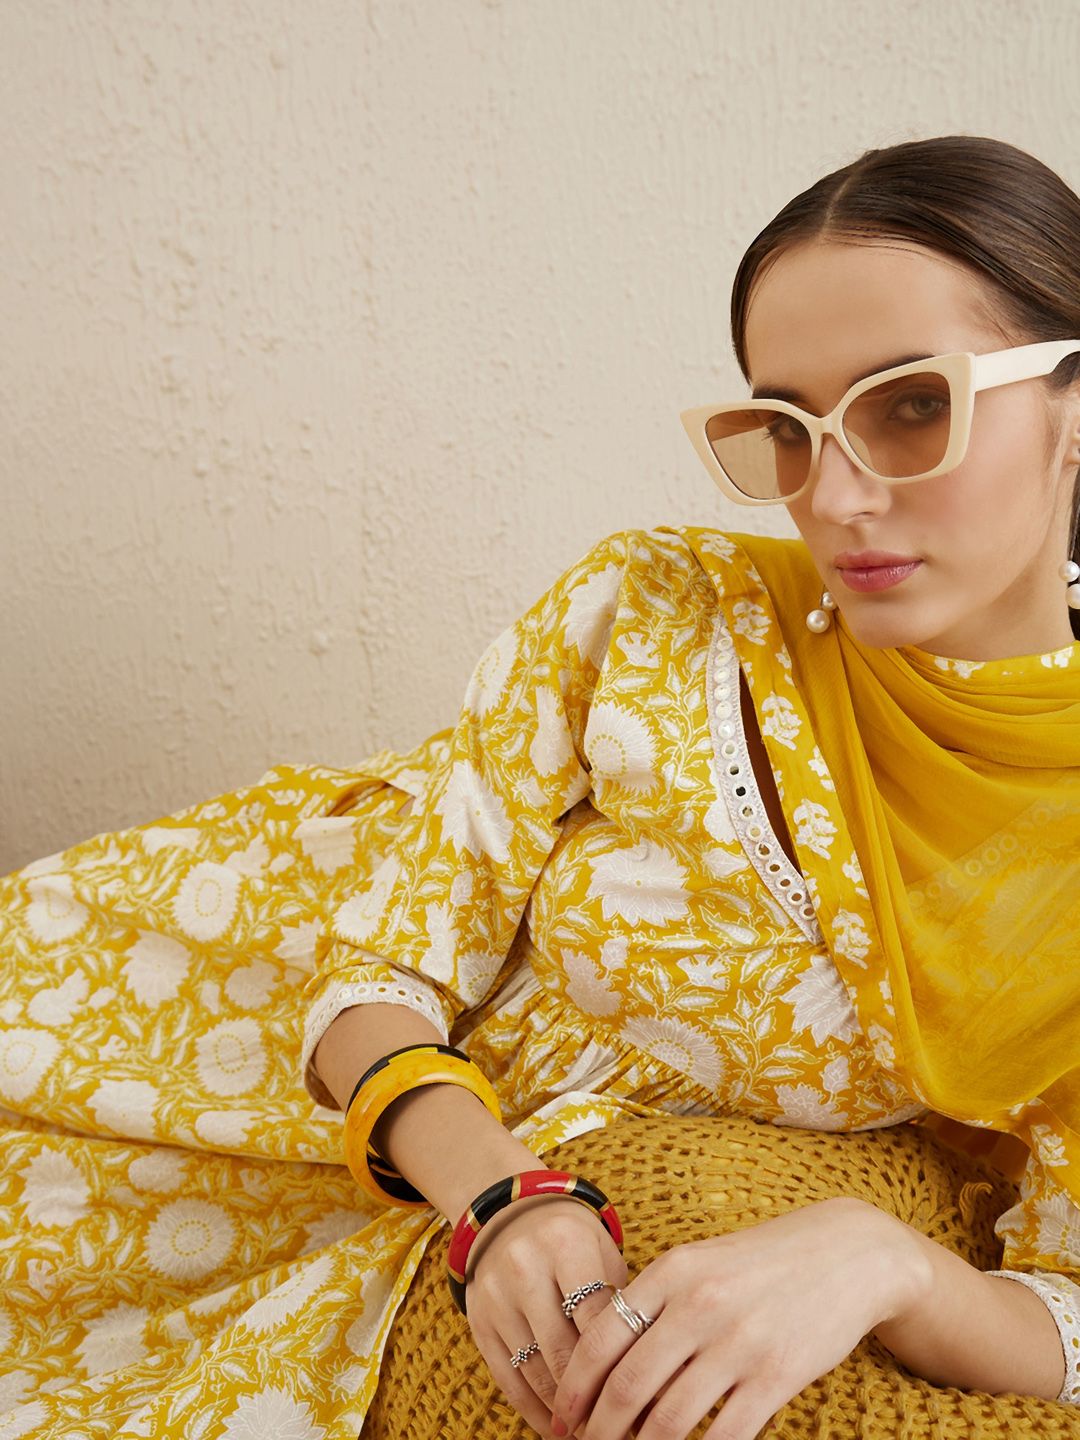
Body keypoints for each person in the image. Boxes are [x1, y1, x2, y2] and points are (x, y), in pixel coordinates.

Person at [1, 132, 1079, 1440]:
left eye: (911, 407)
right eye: (784, 432)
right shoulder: (661, 611)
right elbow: (372, 968)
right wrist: (503, 1198)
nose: (836, 495)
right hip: (192, 1025)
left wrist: (886, 1262)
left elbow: (1066, 1309)